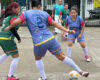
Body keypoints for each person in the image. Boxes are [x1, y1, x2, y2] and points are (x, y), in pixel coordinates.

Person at [5, 1, 89, 80]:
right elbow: (55, 24)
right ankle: (81, 71)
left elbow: (17, 21)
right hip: (50, 38)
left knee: (38, 59)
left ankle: (44, 77)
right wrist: (66, 30)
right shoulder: (44, 13)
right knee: (62, 56)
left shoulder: (26, 13)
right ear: (39, 6)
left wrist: (9, 27)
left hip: (39, 42)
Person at [0, 2, 20, 80]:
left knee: (7, 53)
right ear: (13, 9)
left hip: (1, 38)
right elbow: (12, 28)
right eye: (18, 9)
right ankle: (10, 76)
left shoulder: (7, 17)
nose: (19, 10)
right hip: (7, 39)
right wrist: (18, 38)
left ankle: (10, 76)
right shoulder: (13, 17)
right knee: (16, 58)